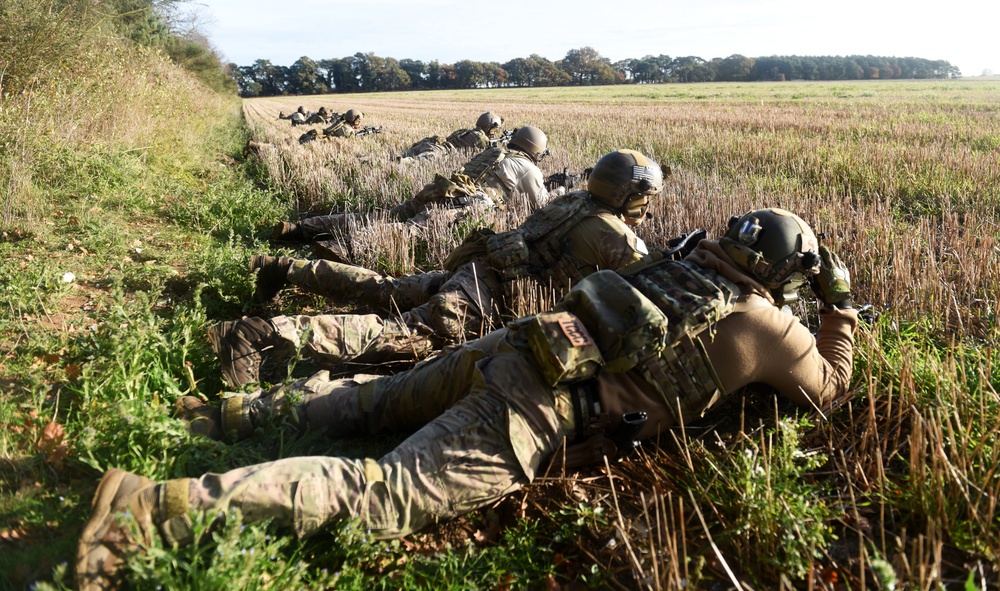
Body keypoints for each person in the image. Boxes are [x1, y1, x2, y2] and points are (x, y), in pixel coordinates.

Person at [76, 207, 858, 591]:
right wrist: (842, 310)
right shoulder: (771, 325)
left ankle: (225, 414)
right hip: (541, 405)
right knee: (383, 493)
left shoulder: (675, 259)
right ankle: (151, 508)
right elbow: (831, 391)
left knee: (378, 398)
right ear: (790, 275)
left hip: (514, 341)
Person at [208, 148, 662, 388]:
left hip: (476, 271)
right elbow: (644, 290)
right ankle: (259, 336)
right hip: (483, 298)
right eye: (646, 197)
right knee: (403, 336)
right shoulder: (615, 236)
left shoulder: (572, 201)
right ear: (631, 196)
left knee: (388, 288)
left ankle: (284, 267)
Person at [276, 125, 553, 250]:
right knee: (405, 232)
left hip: (438, 189)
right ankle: (336, 249)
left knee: (377, 217)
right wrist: (560, 190)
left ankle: (300, 228)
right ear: (536, 150)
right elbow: (541, 204)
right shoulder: (528, 168)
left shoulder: (493, 153)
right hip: (462, 204)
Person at [397, 111, 504, 162]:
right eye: (494, 129)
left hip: (430, 145)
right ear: (489, 127)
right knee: (411, 163)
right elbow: (490, 153)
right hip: (438, 152)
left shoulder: (465, 131)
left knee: (402, 156)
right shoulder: (481, 138)